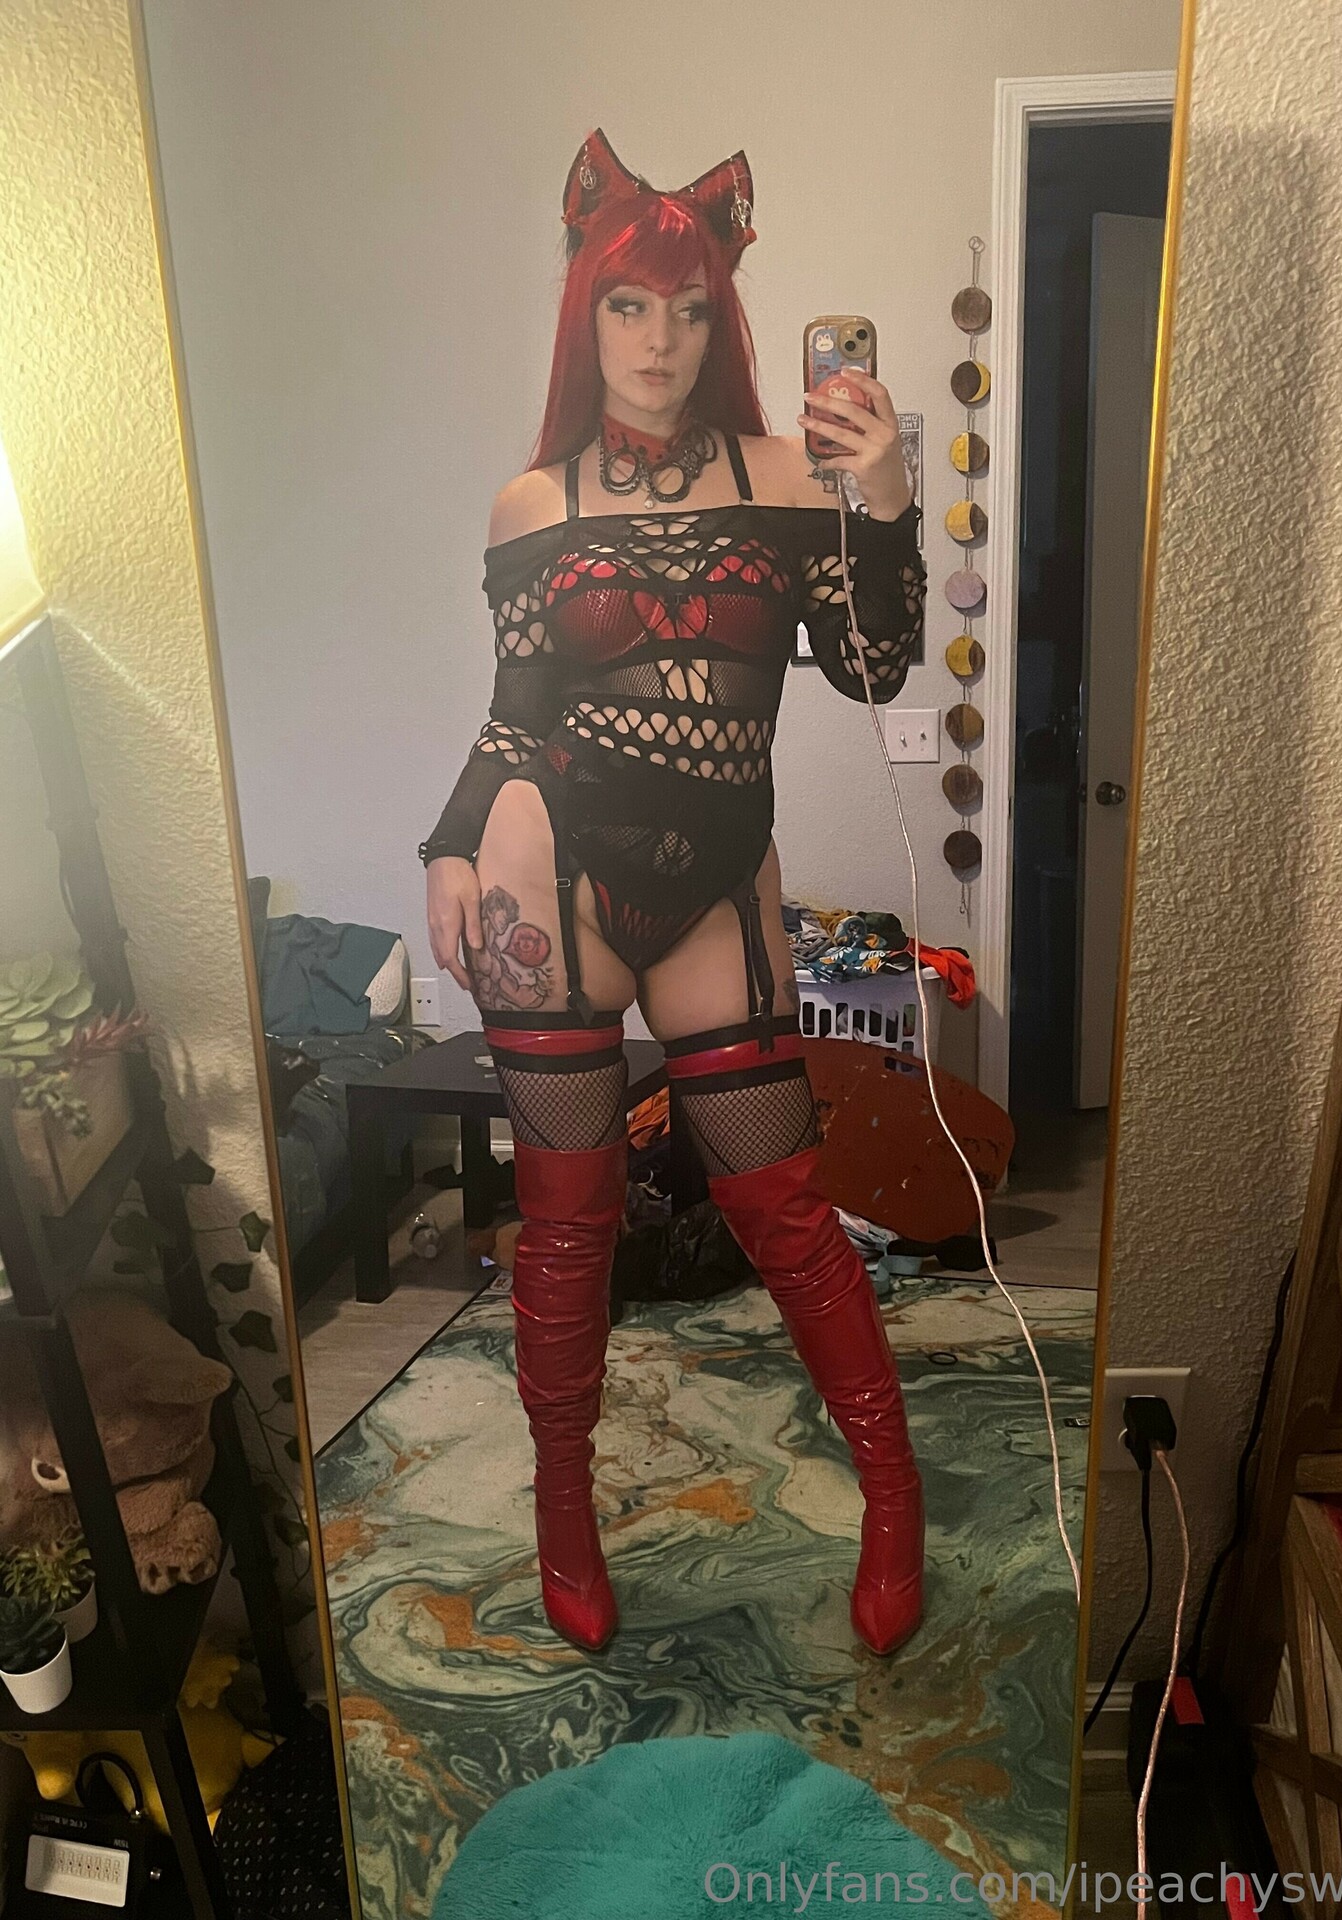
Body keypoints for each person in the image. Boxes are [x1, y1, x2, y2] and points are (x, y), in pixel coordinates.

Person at [421, 128, 927, 1656]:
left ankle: (892, 1498)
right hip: (553, 871)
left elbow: (871, 668)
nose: (660, 340)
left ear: (726, 320)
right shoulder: (532, 505)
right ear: (587, 312)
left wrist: (886, 502)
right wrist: (451, 846)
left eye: (691, 309)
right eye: (631, 306)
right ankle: (563, 1512)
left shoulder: (789, 477)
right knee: (566, 1224)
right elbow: (513, 718)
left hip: (715, 887)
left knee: (784, 1206)